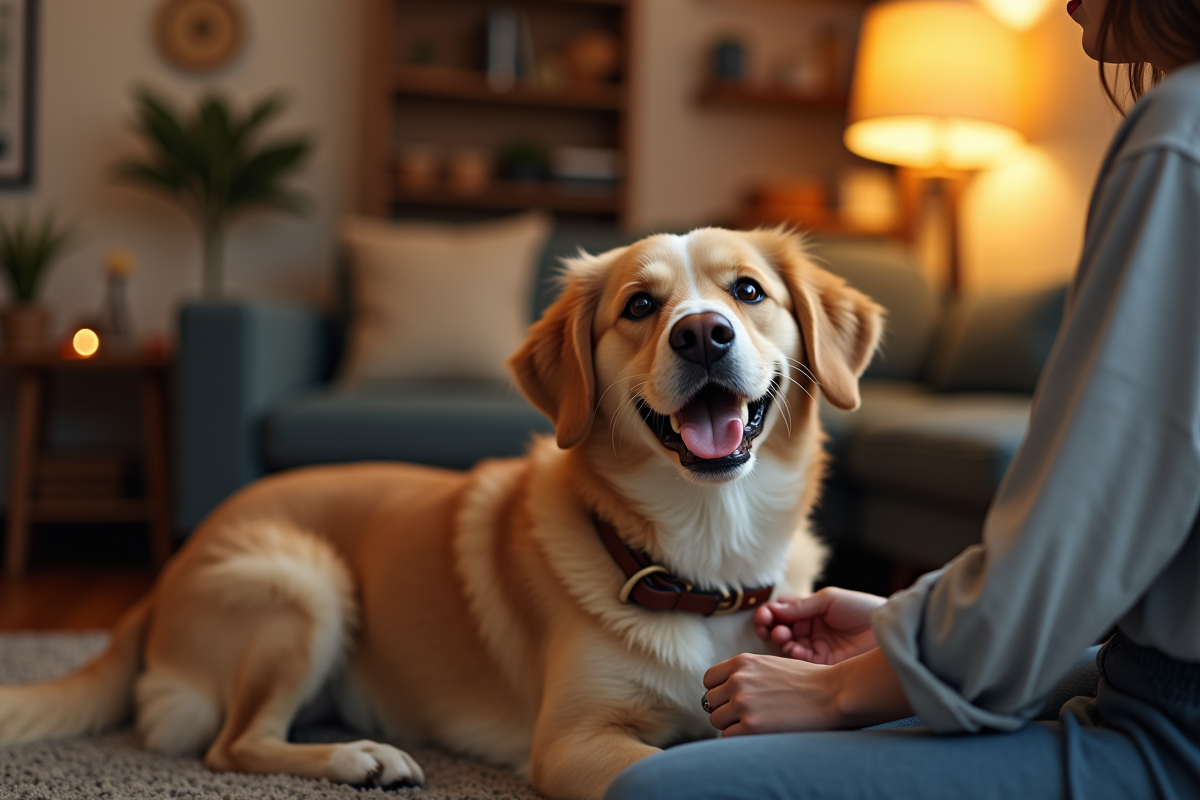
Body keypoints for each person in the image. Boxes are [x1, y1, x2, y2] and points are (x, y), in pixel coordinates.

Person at [605, 0, 1200, 797]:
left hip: (1171, 737)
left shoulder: (1179, 130)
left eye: (747, 292)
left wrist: (838, 690)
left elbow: (1084, 535)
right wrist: (903, 635)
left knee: (658, 788)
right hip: (1157, 676)